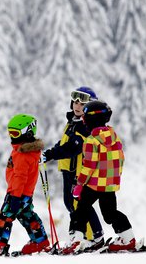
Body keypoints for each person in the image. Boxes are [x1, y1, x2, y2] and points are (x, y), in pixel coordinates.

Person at [62, 100, 140, 254]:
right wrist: (114, 178)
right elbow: (120, 159)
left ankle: (76, 240)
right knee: (110, 214)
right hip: (109, 185)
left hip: (93, 185)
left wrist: (79, 184)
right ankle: (128, 238)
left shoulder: (91, 140)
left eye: (85, 119)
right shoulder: (114, 137)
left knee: (80, 211)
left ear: (90, 120)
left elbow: (89, 166)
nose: (83, 121)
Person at [42, 87, 104, 251]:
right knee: (70, 204)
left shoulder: (85, 126)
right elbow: (63, 144)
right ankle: (84, 236)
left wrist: (53, 154)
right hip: (68, 170)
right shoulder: (72, 122)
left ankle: (94, 237)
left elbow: (72, 147)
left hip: (80, 172)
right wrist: (48, 153)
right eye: (76, 102)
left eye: (82, 103)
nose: (77, 106)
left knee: (80, 204)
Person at [0, 114, 50, 256]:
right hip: (26, 194)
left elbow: (20, 177)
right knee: (27, 215)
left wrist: (15, 196)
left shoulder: (22, 153)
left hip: (17, 193)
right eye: (10, 133)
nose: (12, 137)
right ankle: (40, 242)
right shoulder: (29, 151)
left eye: (15, 133)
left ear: (27, 132)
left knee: (4, 218)